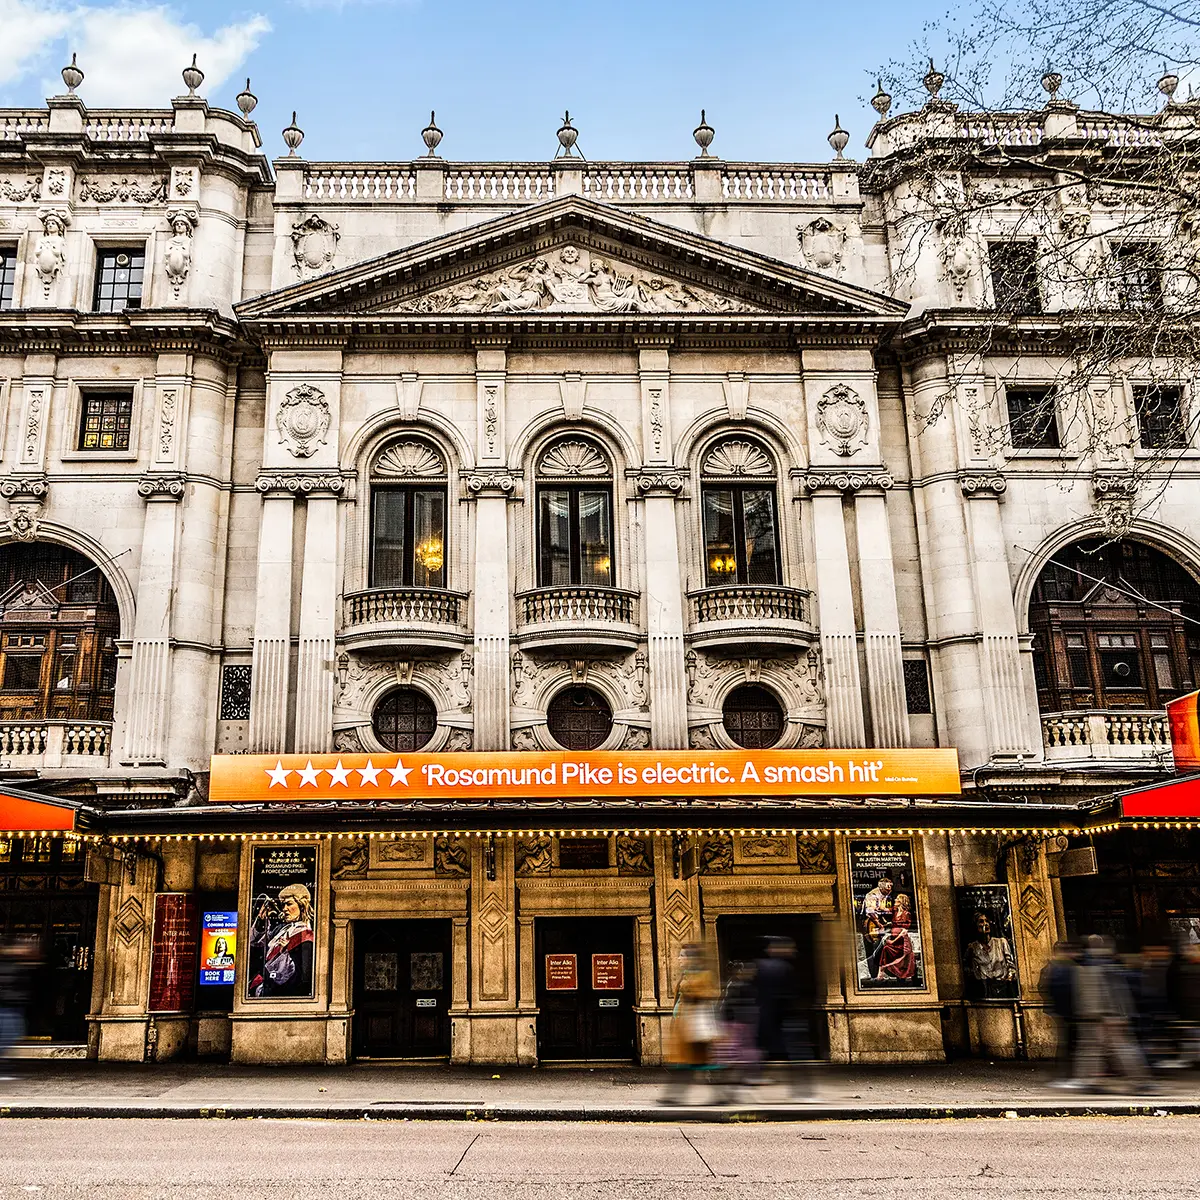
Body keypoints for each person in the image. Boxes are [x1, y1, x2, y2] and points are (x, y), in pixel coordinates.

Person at [1072, 934, 1151, 1093]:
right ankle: (1138, 1080)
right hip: (1108, 1014)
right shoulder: (1107, 964)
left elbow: (1085, 993)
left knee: (1092, 1049)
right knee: (1120, 1048)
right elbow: (1115, 991)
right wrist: (1122, 1014)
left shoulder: (1084, 965)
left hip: (1095, 1014)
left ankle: (1090, 1081)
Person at [660, 944, 722, 1104]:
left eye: (682, 955)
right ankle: (674, 1095)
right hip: (686, 1027)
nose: (679, 959)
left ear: (691, 958)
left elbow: (708, 996)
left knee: (692, 1063)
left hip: (695, 1027)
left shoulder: (702, 976)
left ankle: (722, 1094)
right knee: (689, 1063)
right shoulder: (686, 975)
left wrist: (692, 990)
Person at [754, 937, 812, 1099]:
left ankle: (749, 1083)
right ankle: (803, 1093)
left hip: (768, 1018)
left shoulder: (761, 966)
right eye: (790, 948)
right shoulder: (784, 967)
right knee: (798, 1056)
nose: (793, 951)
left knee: (762, 1053)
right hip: (785, 1019)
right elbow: (789, 994)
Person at [248, 883, 314, 998]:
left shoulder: (307, 935)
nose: (285, 909)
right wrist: (261, 920)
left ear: (302, 906)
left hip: (280, 992)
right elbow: (254, 942)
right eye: (283, 905)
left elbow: (298, 976)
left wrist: (285, 952)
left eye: (289, 904)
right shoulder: (280, 929)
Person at [1040, 941, 1079, 1085]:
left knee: (1067, 1041)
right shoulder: (1057, 968)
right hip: (1066, 1010)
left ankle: (1065, 1072)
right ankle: (1065, 1073)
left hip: (1062, 1010)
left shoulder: (1056, 967)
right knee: (1068, 1041)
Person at [965, 912, 1017, 995]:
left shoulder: (1001, 942)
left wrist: (1009, 978)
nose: (985, 924)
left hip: (1002, 988)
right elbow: (968, 968)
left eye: (987, 921)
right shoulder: (972, 947)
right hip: (984, 990)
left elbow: (1011, 966)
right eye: (981, 921)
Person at [874, 894, 918, 982]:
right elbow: (884, 910)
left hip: (900, 941)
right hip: (893, 938)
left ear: (901, 901)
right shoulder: (895, 911)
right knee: (884, 950)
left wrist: (893, 941)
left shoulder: (906, 914)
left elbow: (904, 931)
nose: (895, 900)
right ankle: (881, 972)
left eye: (897, 899)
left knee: (887, 950)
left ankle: (882, 973)